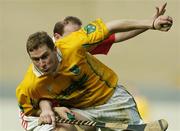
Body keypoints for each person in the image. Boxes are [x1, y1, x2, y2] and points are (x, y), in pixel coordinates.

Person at [16, 3, 173, 131]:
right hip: (77, 111)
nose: (41, 64)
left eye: (44, 57)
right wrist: (48, 110)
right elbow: (31, 106)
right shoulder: (30, 83)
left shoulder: (76, 44)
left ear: (55, 49)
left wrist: (150, 23)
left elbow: (112, 31)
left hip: (111, 98)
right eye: (36, 59)